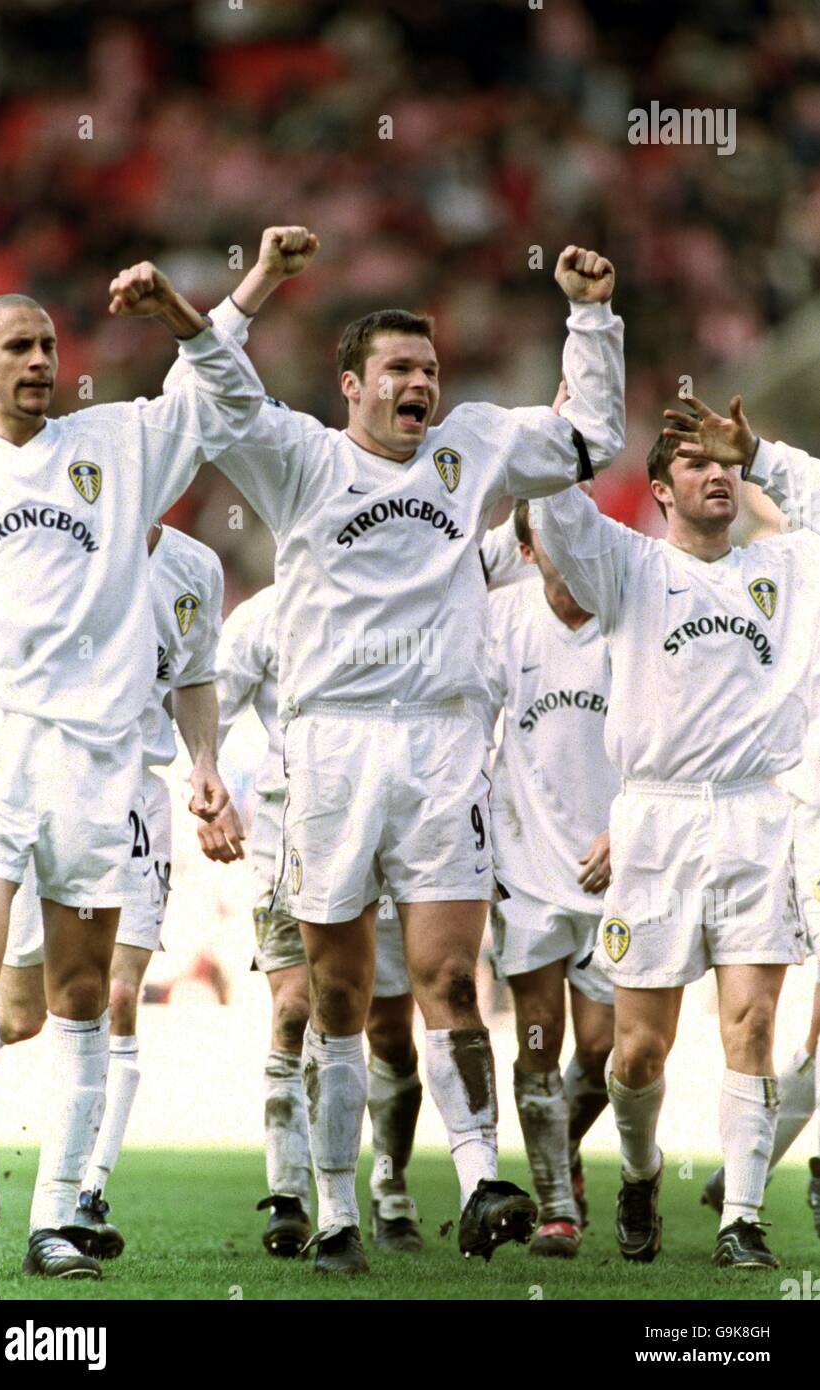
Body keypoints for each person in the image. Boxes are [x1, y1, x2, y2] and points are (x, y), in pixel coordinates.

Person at [165, 225, 625, 1273]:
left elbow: (592, 434)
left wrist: (589, 316)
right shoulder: (300, 459)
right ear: (352, 386)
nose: (418, 383)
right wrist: (257, 283)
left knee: (450, 977)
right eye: (398, 370)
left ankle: (480, 1179)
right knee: (334, 998)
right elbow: (210, 390)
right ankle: (333, 1208)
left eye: (428, 368)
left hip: (442, 747)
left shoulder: (473, 445)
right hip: (329, 752)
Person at [0, 263, 259, 1279]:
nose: (41, 361)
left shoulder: (115, 445)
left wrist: (207, 303)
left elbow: (225, 394)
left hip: (96, 762)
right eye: (19, 347)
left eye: (49, 346)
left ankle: (53, 1215)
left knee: (85, 996)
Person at [533, 400, 820, 1270]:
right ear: (658, 490)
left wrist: (761, 451)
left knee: (751, 1022)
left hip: (752, 814)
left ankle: (740, 1219)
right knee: (638, 1050)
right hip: (654, 821)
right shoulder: (628, 567)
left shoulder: (783, 567)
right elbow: (552, 506)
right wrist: (577, 387)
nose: (717, 475)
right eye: (695, 464)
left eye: (724, 464)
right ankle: (637, 1168)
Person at [0, 521, 228, 1267]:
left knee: (113, 995)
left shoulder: (195, 568)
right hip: (44, 780)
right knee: (18, 1014)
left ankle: (78, 1200)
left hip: (133, 797)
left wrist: (204, 763)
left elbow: (193, 680)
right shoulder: (62, 536)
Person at [199, 584, 425, 1259]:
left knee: (386, 1027)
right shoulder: (262, 617)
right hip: (281, 831)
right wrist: (207, 786)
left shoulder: (389, 602)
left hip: (376, 825)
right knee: (295, 1007)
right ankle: (292, 1195)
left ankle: (389, 1180)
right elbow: (208, 700)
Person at [663, 393, 820, 1237]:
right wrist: (754, 453)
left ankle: (751, 1160)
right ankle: (748, 1186)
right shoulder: (794, 566)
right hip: (805, 805)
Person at [486, 498, 616, 1258]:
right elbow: (473, 717)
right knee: (538, 1034)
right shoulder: (502, 619)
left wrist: (625, 828)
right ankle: (556, 1208)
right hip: (528, 864)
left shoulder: (628, 622)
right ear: (529, 549)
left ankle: (557, 1148)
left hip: (611, 869)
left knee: (601, 1049)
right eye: (551, 543)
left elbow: (664, 738)